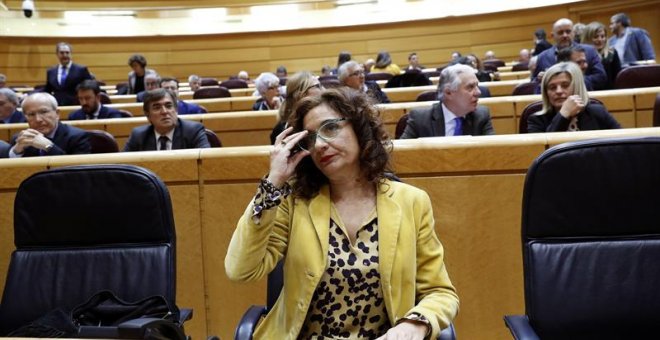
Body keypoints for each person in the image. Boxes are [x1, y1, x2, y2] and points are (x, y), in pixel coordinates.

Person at [225, 87, 459, 339]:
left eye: (330, 128)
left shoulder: (411, 202)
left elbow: (440, 292)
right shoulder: (293, 201)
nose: (321, 145)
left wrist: (414, 324)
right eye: (311, 138)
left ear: (359, 128)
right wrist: (273, 182)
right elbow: (240, 269)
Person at [400, 64, 495, 139]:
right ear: (448, 92)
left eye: (477, 86)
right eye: (470, 87)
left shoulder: (481, 116)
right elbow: (402, 155)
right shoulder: (420, 119)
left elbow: (492, 153)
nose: (478, 92)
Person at [528, 62, 621, 133]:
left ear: (577, 87)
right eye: (552, 87)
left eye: (565, 85)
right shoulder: (536, 121)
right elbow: (544, 152)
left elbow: (622, 144)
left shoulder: (598, 113)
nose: (558, 91)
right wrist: (563, 115)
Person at [532, 18, 607, 91]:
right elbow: (534, 82)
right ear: (553, 36)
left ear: (573, 33)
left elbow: (601, 77)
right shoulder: (543, 56)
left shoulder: (589, 51)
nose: (565, 35)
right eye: (560, 32)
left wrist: (571, 81)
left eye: (568, 32)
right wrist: (539, 79)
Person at [123, 88, 210, 151]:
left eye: (169, 106)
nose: (164, 112)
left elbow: (206, 163)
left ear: (176, 110)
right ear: (147, 114)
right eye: (157, 108)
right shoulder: (138, 136)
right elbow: (124, 166)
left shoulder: (193, 131)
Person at [9, 92, 90, 157]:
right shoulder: (19, 139)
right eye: (31, 114)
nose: (38, 119)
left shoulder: (78, 137)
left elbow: (76, 171)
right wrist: (16, 152)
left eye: (43, 112)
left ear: (57, 114)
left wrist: (48, 147)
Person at [269, 71, 323, 144]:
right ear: (301, 94)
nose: (324, 89)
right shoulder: (282, 130)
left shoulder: (325, 116)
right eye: (317, 86)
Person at [44, 42, 93, 106]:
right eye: (62, 53)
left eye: (67, 52)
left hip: (76, 105)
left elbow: (90, 88)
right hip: (57, 106)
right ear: (57, 54)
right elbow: (48, 90)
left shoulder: (81, 69)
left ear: (71, 54)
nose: (65, 55)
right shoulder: (51, 71)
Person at [582, 21, 622, 89]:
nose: (600, 40)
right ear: (587, 38)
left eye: (603, 36)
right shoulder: (580, 55)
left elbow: (618, 78)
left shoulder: (612, 53)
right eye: (596, 37)